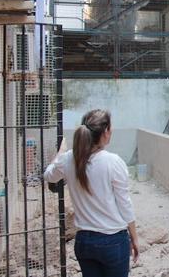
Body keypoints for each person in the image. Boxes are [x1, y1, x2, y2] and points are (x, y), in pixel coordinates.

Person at [44, 109, 139, 277]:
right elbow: (125, 204)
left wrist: (59, 153)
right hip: (113, 240)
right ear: (105, 132)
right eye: (110, 128)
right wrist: (134, 237)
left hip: (84, 242)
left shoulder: (68, 159)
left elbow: (48, 176)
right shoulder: (113, 162)